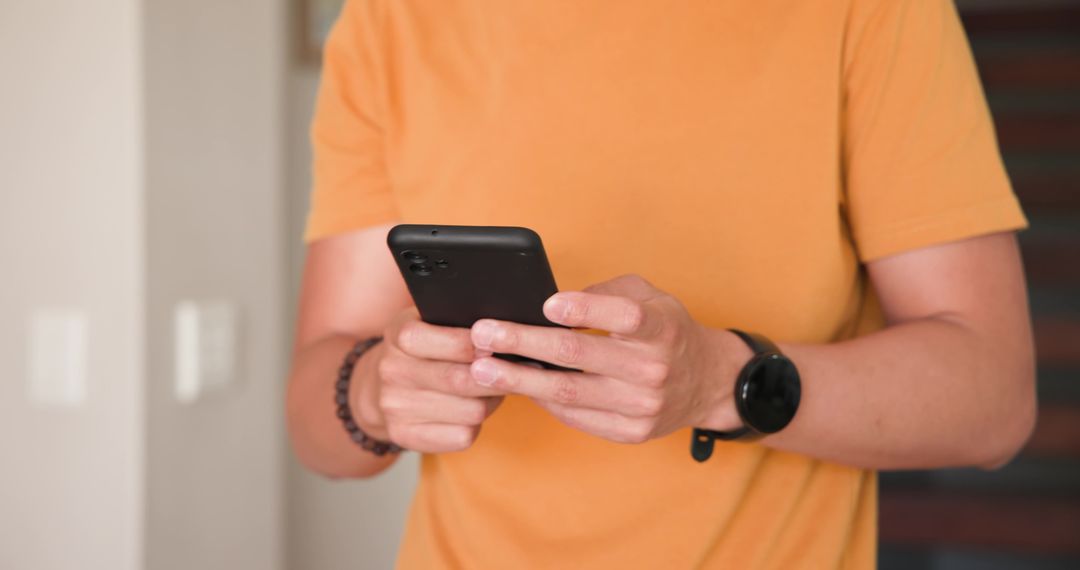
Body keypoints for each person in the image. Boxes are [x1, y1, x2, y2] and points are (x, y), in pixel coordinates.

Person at [286, 0, 1036, 567]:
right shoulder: (392, 18)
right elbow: (315, 423)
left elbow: (994, 401)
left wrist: (721, 382)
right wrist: (375, 391)